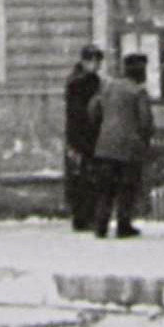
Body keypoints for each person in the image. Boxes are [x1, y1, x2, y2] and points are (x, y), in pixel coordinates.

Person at [88, 51, 154, 239]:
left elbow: (93, 109)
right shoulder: (138, 91)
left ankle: (101, 225)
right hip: (128, 148)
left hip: (105, 145)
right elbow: (145, 121)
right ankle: (123, 225)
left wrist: (103, 127)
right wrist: (145, 139)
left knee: (105, 188)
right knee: (126, 188)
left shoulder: (108, 87)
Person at [63, 44, 105, 231]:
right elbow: (76, 114)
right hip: (82, 136)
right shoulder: (78, 82)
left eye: (97, 61)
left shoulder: (89, 80)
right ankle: (82, 217)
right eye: (92, 61)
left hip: (90, 136)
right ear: (84, 61)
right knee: (81, 178)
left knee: (87, 177)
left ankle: (86, 215)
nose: (95, 65)